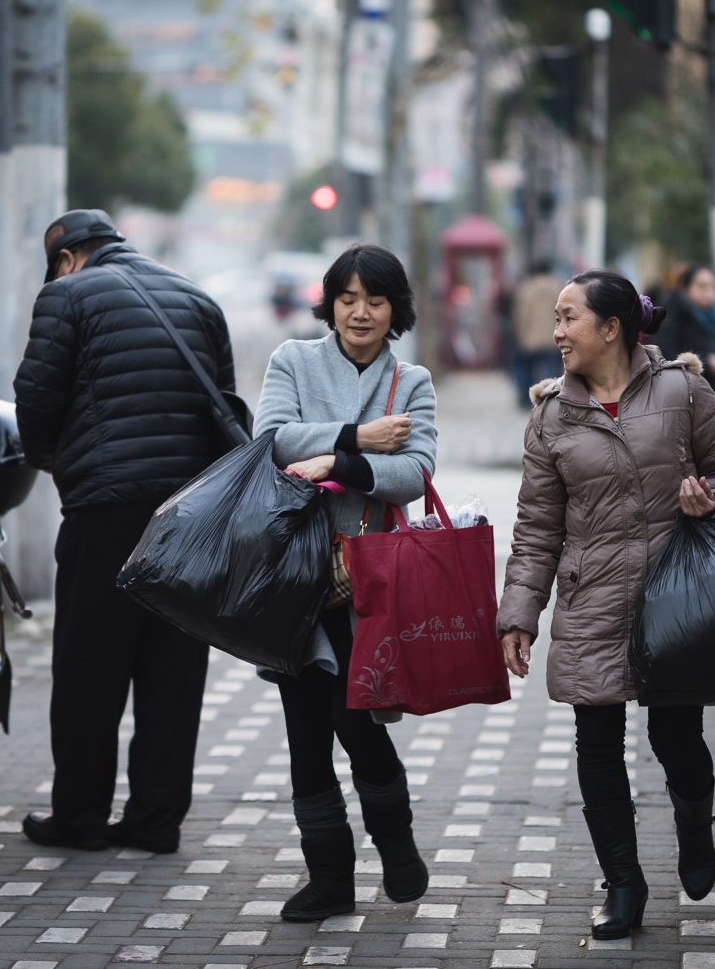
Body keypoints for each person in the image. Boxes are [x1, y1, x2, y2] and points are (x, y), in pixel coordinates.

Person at [497, 269, 715, 941]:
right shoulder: (551, 415)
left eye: (568, 318)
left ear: (612, 328)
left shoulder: (684, 390)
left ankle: (696, 824)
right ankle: (624, 883)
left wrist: (710, 493)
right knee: (598, 745)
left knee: (678, 740)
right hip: (593, 600)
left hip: (676, 595)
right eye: (555, 317)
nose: (556, 332)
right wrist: (520, 614)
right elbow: (537, 527)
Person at [13, 208, 236, 855]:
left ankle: (80, 819)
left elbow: (36, 397)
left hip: (105, 511)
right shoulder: (197, 297)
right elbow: (221, 399)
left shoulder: (66, 296)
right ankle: (155, 821)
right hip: (187, 515)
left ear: (66, 258)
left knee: (89, 669)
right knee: (172, 671)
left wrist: (53, 460)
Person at [254, 242, 437, 921]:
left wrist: (336, 462)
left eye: (376, 299)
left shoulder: (411, 381)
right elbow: (271, 440)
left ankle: (396, 839)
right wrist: (359, 440)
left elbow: (417, 472)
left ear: (396, 310)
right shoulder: (293, 360)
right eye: (348, 297)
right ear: (330, 302)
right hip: (294, 574)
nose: (360, 312)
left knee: (354, 719)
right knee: (306, 732)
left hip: (370, 581)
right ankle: (329, 877)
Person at [653, 264, 715, 411]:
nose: (708, 292)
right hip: (685, 404)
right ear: (685, 289)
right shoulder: (673, 318)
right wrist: (707, 363)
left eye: (712, 286)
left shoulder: (713, 318)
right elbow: (665, 357)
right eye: (701, 286)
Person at [509, 262, 565, 407]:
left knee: (526, 368)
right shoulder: (557, 287)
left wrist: (520, 333)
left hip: (530, 336)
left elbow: (522, 315)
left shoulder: (526, 288)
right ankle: (551, 398)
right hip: (553, 336)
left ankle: (525, 397)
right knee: (551, 369)